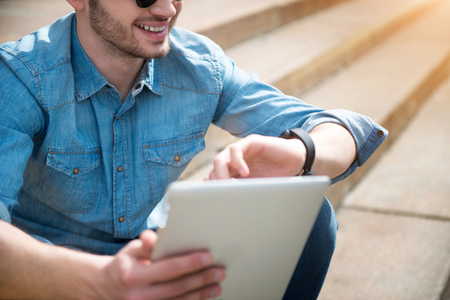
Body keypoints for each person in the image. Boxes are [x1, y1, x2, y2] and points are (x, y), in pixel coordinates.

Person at [0, 0, 387, 299]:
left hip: (153, 262)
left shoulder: (200, 67)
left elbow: (347, 130)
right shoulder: (20, 79)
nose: (167, 9)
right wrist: (102, 283)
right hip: (60, 281)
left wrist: (302, 151)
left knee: (311, 216)